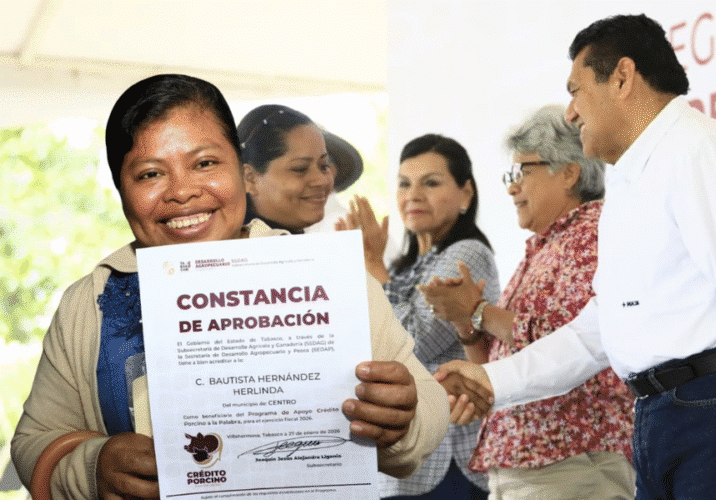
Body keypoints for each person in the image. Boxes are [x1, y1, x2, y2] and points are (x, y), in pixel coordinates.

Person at [11, 74, 448, 500]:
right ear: (121, 190)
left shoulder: (326, 278)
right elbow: (34, 440)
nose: (182, 192)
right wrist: (93, 468)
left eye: (204, 163)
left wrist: (401, 418)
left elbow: (428, 403)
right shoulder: (91, 303)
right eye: (149, 174)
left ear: (241, 171)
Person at [437, 14, 716, 500]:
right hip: (660, 416)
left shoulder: (704, 151)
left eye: (576, 91)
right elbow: (599, 331)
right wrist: (492, 379)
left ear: (623, 77)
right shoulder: (630, 182)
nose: (571, 113)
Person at [419, 105, 635, 500]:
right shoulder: (544, 246)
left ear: (569, 172)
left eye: (523, 172)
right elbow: (502, 363)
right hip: (521, 463)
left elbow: (571, 342)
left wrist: (479, 311)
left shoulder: (593, 234)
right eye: (511, 175)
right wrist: (467, 326)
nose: (512, 187)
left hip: (571, 460)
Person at [337, 134, 497, 499]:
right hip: (401, 458)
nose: (413, 195)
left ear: (466, 193)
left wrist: (372, 266)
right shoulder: (403, 265)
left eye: (431, 183)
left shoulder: (467, 253)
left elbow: (413, 342)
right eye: (404, 184)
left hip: (449, 456)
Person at [237, 103, 363, 233]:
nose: (321, 181)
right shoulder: (236, 245)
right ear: (249, 178)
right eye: (300, 169)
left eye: (324, 166)